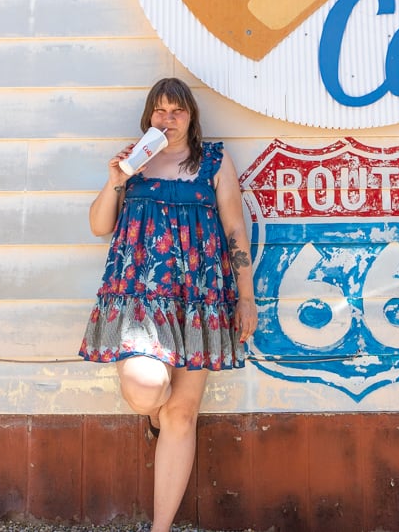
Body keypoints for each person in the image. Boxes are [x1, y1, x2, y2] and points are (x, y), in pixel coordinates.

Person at [79, 77, 257, 532]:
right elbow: (101, 225)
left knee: (183, 412)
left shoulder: (214, 162)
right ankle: (154, 416)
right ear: (149, 117)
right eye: (160, 111)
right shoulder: (133, 163)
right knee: (147, 389)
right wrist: (115, 179)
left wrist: (246, 296)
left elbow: (235, 230)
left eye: (177, 111)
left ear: (192, 116)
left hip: (200, 298)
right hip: (138, 298)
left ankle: (160, 529)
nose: (168, 119)